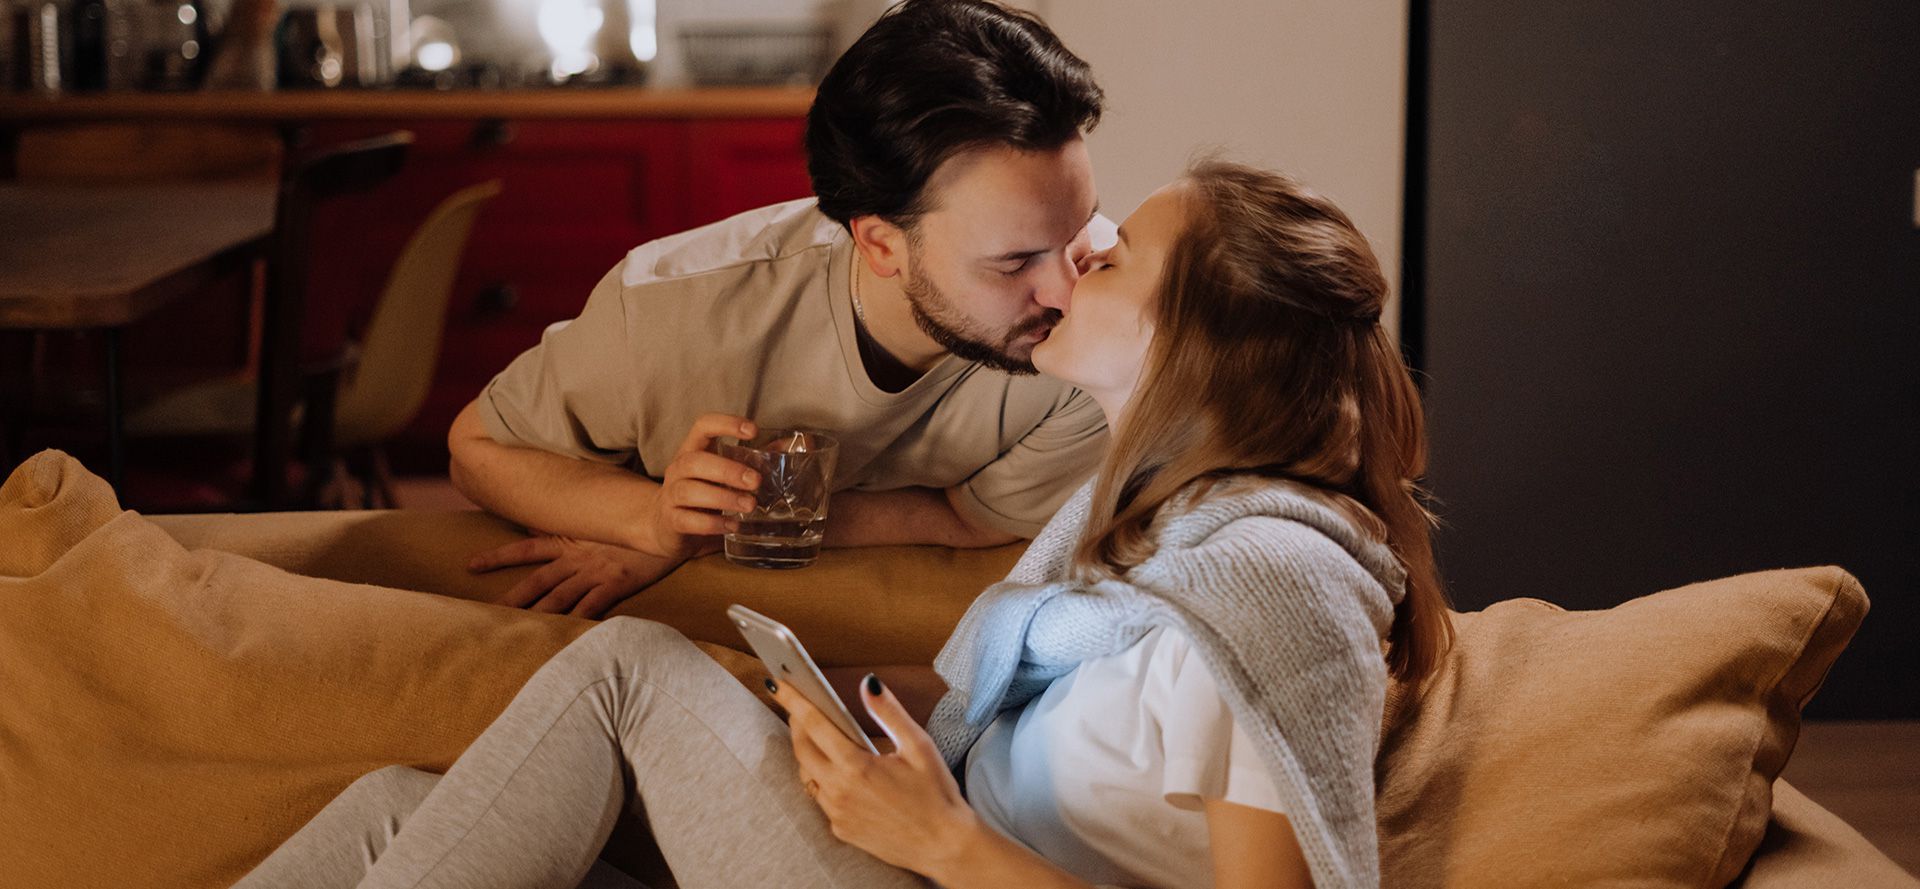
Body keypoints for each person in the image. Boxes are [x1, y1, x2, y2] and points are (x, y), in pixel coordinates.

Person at [236, 160, 1455, 889]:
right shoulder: (1159, 531)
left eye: (1115, 254)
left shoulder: (1276, 592)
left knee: (624, 673)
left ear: (1194, 343)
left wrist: (946, 843)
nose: (1076, 258)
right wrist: (845, 708)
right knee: (411, 802)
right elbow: (1049, 715)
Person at [448, 0, 1114, 618]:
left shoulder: (1105, 341)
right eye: (1014, 261)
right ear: (881, 243)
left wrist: (710, 533)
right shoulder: (672, 312)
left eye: (1079, 227)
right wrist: (650, 519)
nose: (1068, 291)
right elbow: (476, 445)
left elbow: (980, 517)